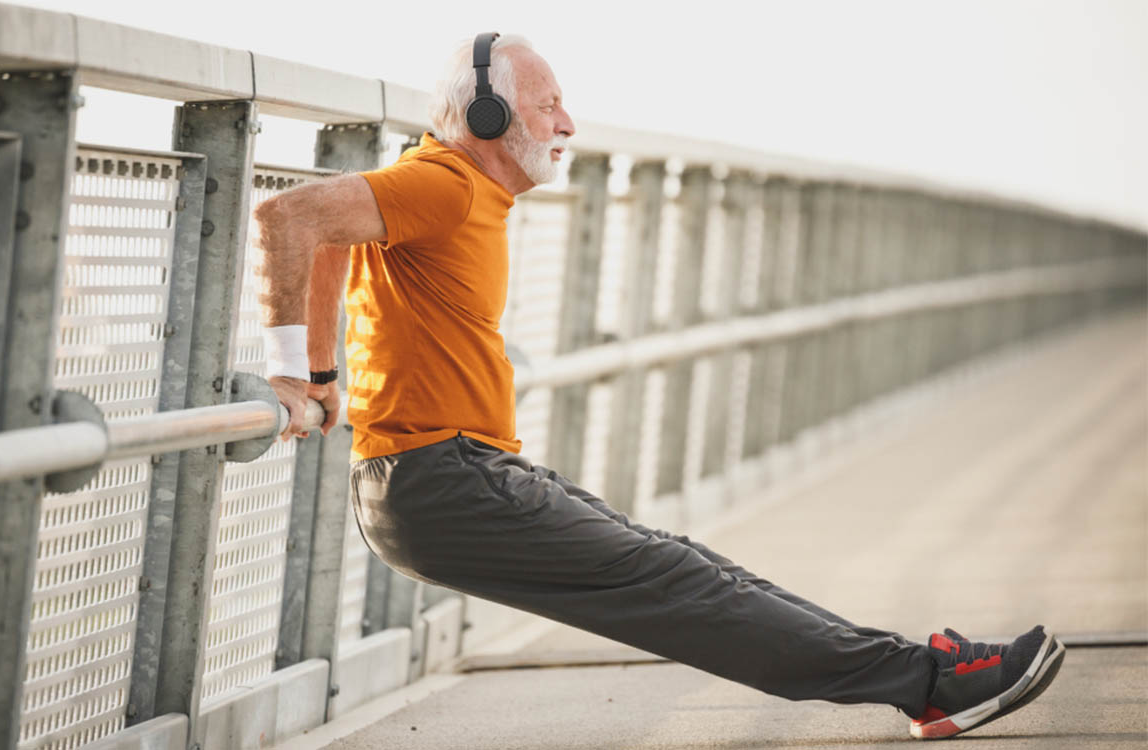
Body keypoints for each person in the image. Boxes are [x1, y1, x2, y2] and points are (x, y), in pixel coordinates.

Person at [251, 32, 1064, 740]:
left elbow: (330, 239)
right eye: (549, 106)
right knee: (688, 589)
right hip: (443, 482)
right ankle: (930, 686)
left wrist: (323, 374)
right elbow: (290, 218)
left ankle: (924, 676)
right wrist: (292, 373)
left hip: (450, 477)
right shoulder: (447, 182)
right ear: (489, 117)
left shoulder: (445, 188)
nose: (567, 124)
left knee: (690, 569)